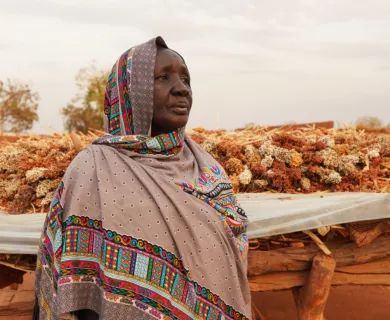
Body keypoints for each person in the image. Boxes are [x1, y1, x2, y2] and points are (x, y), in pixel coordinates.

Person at [34, 36, 251, 320]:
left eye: (186, 79)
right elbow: (79, 276)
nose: (181, 89)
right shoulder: (92, 168)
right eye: (164, 77)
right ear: (130, 92)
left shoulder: (207, 168)